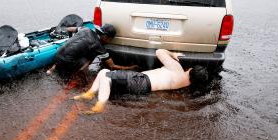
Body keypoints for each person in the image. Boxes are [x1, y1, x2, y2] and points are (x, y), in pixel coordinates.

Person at [74, 49, 209, 114]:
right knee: (104, 72)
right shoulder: (185, 84)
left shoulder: (177, 69)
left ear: (190, 69)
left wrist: (172, 54)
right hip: (143, 89)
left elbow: (159, 52)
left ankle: (100, 105)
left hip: (141, 80)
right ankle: (90, 93)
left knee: (106, 76)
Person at [46, 23, 137, 78]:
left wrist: (64, 32)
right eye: (110, 39)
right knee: (92, 54)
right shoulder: (99, 47)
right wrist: (129, 68)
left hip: (57, 56)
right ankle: (79, 72)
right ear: (105, 37)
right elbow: (112, 66)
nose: (110, 42)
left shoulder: (86, 29)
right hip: (68, 63)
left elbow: (71, 29)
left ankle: (51, 69)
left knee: (70, 50)